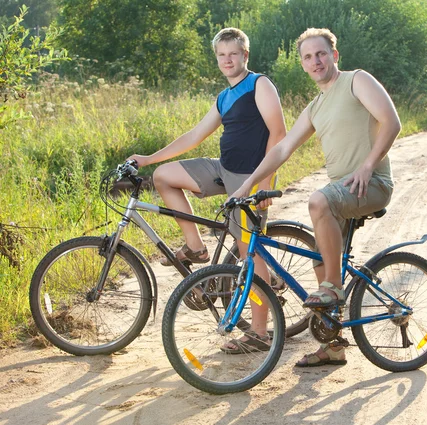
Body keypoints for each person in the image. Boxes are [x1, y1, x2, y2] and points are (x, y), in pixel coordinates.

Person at [230, 28, 401, 367]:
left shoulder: (356, 81)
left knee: (317, 202)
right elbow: (282, 148)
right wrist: (246, 185)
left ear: (334, 55)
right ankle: (333, 342)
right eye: (308, 57)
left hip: (372, 183)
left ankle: (333, 288)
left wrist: (368, 166)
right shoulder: (315, 107)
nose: (315, 61)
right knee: (319, 253)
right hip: (343, 191)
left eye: (321, 53)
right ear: (303, 65)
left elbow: (391, 121)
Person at [128, 27, 286, 353]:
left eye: (233, 54)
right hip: (222, 170)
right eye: (221, 55)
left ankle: (259, 332)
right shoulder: (224, 96)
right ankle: (196, 248)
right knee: (164, 176)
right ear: (217, 59)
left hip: (250, 178)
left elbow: (279, 133)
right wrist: (148, 158)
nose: (227, 60)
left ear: (245, 55)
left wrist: (263, 185)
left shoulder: (259, 84)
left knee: (249, 256)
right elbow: (194, 136)